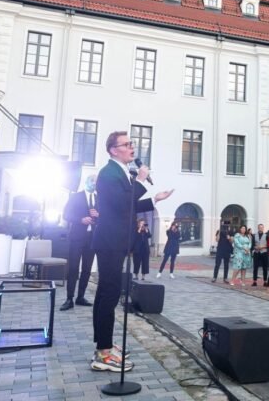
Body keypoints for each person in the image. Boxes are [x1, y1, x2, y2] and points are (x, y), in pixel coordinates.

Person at [91, 131, 173, 373]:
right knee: (109, 294)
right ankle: (103, 353)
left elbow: (129, 204)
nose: (132, 148)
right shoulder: (109, 173)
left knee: (107, 293)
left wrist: (154, 200)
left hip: (115, 241)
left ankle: (103, 345)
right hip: (110, 242)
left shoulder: (120, 172)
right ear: (113, 150)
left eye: (132, 144)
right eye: (127, 145)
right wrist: (139, 181)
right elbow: (120, 204)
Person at [60, 175, 97, 311]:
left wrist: (98, 216)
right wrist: (81, 220)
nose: (95, 183)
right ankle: (69, 298)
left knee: (87, 269)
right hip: (77, 237)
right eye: (93, 181)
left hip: (92, 238)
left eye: (96, 182)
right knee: (73, 268)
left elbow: (104, 218)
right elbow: (66, 215)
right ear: (87, 182)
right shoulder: (76, 196)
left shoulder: (98, 198)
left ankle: (80, 297)